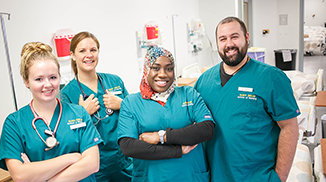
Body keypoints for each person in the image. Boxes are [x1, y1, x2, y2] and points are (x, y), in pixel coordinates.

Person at [194, 16, 300, 182]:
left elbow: (290, 127)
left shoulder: (271, 78)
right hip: (215, 175)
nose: (229, 44)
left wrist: (280, 177)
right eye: (223, 39)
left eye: (235, 37)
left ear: (247, 38)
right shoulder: (204, 82)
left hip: (256, 176)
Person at [0, 42, 102, 182]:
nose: (48, 84)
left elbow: (92, 164)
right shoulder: (14, 123)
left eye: (53, 77)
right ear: (26, 81)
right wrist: (71, 157)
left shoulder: (79, 113)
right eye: (39, 79)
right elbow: (20, 175)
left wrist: (38, 176)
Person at [117, 46, 215, 181]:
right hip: (152, 177)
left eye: (169, 68)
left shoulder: (188, 94)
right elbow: (129, 146)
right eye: (155, 68)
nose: (162, 74)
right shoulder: (131, 103)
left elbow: (206, 129)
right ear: (146, 70)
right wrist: (178, 150)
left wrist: (161, 137)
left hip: (190, 175)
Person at [59, 31, 132, 182]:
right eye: (82, 51)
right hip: (94, 169)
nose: (89, 55)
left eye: (93, 50)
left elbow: (136, 115)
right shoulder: (66, 94)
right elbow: (65, 138)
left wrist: (122, 104)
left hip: (123, 162)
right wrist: (82, 113)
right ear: (72, 55)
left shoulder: (114, 81)